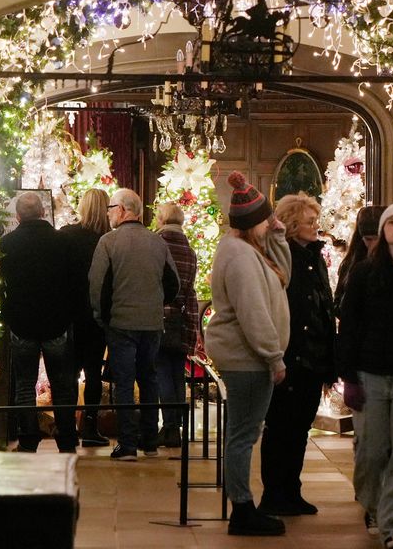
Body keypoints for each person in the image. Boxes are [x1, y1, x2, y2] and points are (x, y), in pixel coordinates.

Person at [205, 171, 291, 537]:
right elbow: (252, 311)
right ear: (253, 222)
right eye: (265, 218)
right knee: (243, 436)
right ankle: (242, 509)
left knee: (243, 433)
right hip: (247, 360)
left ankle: (242, 505)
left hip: (248, 358)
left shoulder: (248, 249)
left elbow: (283, 273)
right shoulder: (240, 257)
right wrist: (273, 356)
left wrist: (277, 232)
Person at [339, 202, 393, 549]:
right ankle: (374, 506)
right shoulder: (363, 273)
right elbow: (350, 327)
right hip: (370, 372)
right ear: (383, 230)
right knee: (372, 451)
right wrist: (349, 378)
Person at [258, 192, 337, 516]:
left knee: (300, 429)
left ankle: (292, 490)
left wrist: (328, 363)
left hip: (314, 357)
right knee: (279, 429)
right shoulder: (282, 256)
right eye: (309, 221)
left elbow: (323, 307)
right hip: (291, 356)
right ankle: (274, 494)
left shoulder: (315, 256)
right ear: (292, 225)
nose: (315, 226)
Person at [88, 188, 180, 461]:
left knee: (125, 382)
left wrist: (100, 317)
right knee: (149, 378)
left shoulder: (108, 242)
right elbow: (172, 283)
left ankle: (127, 444)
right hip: (152, 323)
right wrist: (155, 302)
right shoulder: (157, 242)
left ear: (123, 209)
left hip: (121, 322)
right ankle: (150, 440)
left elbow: (97, 285)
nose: (108, 213)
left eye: (111, 207)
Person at [0, 191, 79, 453]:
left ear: (18, 215)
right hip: (57, 322)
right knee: (63, 385)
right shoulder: (62, 242)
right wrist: (68, 315)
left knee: (24, 385)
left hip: (22, 323)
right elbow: (73, 284)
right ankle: (66, 439)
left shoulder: (6, 245)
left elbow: (1, 286)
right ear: (44, 212)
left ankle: (28, 438)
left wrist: (7, 314)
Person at [60, 188, 111, 447]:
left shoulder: (67, 235)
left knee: (69, 373)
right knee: (93, 373)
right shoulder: (108, 239)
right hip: (97, 315)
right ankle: (90, 427)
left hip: (70, 313)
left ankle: (67, 428)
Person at [153, 201, 199, 448]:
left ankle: (169, 426)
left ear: (161, 220)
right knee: (177, 373)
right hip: (183, 318)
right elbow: (189, 288)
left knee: (161, 371)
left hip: (160, 316)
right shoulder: (190, 251)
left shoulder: (158, 245)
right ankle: (176, 427)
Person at [333, 205, 386, 315]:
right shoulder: (351, 265)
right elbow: (338, 305)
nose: (374, 244)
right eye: (368, 239)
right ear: (361, 238)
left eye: (378, 239)